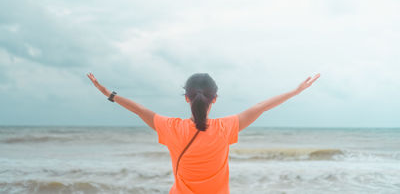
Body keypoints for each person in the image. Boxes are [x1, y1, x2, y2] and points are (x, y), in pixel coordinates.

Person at [87, 72, 320, 193]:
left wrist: (109, 93)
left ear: (187, 97)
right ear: (215, 99)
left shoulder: (172, 128)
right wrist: (295, 91)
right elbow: (261, 107)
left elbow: (139, 110)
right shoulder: (225, 128)